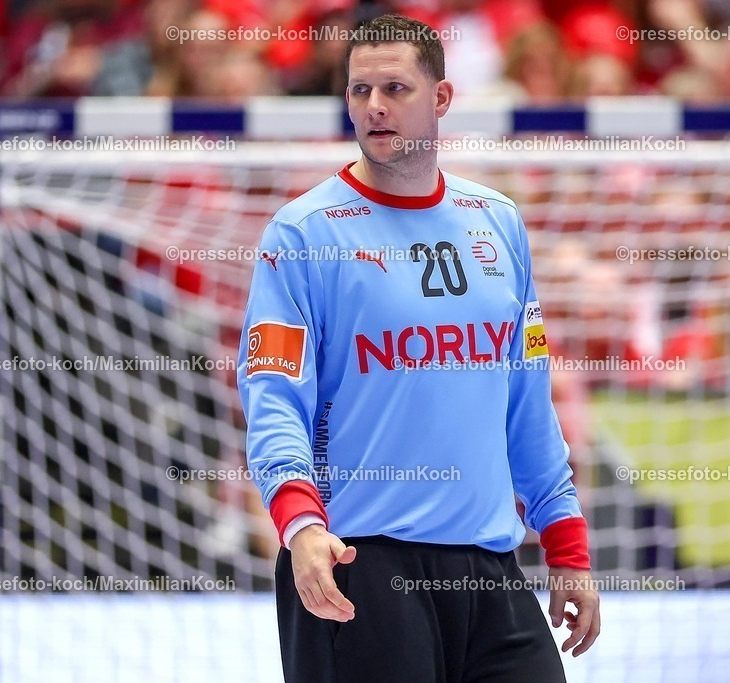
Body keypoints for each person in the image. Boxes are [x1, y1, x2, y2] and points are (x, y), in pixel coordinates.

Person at [237, 14, 599, 682]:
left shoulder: (498, 222)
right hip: (359, 562)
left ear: (441, 99)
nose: (373, 106)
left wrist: (567, 544)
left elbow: (526, 400)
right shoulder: (301, 233)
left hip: (490, 569)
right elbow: (273, 397)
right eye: (358, 90)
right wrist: (300, 524)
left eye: (396, 89)